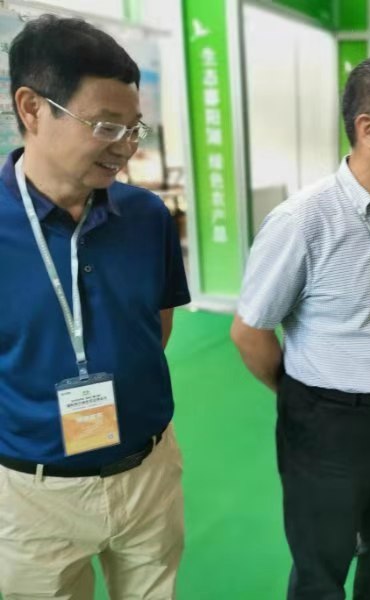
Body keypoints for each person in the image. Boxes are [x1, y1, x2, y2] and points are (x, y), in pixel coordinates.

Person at [230, 53, 370, 600]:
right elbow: (249, 331)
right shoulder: (304, 220)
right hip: (328, 427)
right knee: (321, 572)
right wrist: (305, 399)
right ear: (368, 129)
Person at [0, 15, 190, 599]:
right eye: (106, 126)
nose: (126, 148)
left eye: (134, 128)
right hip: (33, 496)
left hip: (149, 473)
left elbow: (155, 329)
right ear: (32, 108)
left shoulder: (148, 218)